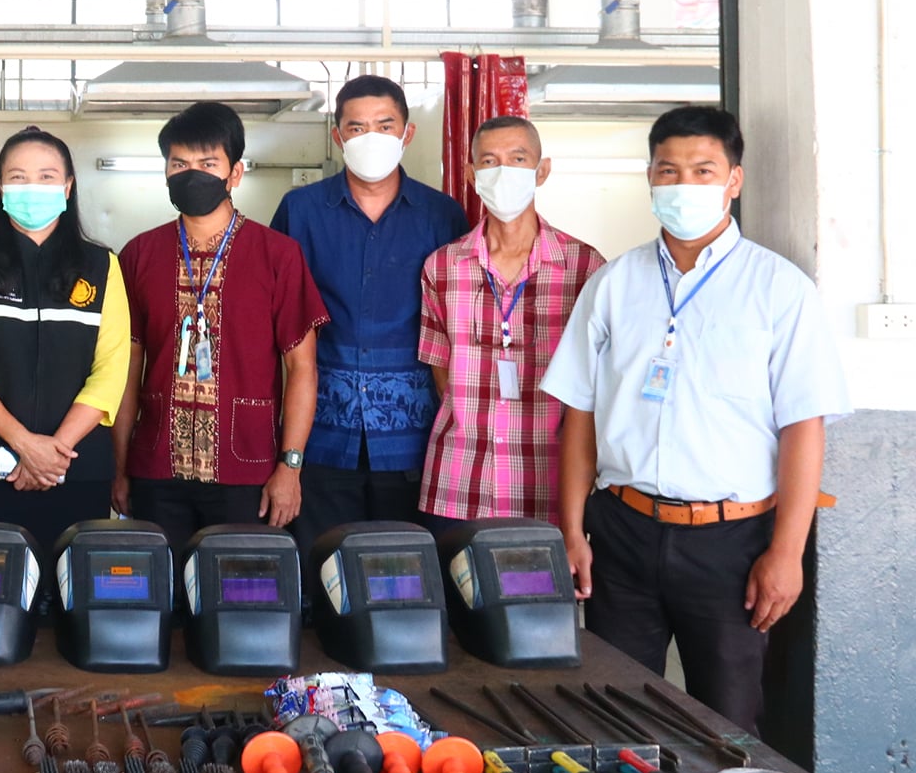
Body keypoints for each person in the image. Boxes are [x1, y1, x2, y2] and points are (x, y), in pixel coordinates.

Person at [543, 106, 847, 773]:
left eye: (702, 171)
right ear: (649, 179)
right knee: (613, 713)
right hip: (622, 529)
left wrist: (786, 550)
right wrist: (573, 528)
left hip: (732, 538)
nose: (684, 185)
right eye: (668, 171)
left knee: (730, 726)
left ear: (733, 181)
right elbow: (578, 415)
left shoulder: (779, 290)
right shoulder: (615, 284)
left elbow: (803, 428)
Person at [272, 75, 467, 564]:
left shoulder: (442, 216)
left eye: (385, 125)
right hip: (321, 437)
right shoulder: (300, 211)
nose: (370, 137)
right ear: (338, 137)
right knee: (322, 575)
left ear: (407, 133)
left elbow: (458, 325)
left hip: (413, 442)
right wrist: (286, 458)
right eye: (356, 128)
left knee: (406, 578)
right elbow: (277, 322)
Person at [113, 102, 328, 548]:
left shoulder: (278, 255)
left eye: (208, 164)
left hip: (247, 468)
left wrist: (290, 467)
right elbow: (127, 367)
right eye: (180, 164)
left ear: (235, 173)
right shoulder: (139, 254)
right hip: (156, 466)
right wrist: (119, 466)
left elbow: (302, 368)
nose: (192, 174)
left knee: (238, 587)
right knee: (160, 586)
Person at [0, 127, 130, 556]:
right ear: (0, 188)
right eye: (18, 177)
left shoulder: (102, 266)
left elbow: (111, 371)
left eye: (46, 176)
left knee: (73, 593)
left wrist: (54, 452)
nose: (32, 187)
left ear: (68, 186)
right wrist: (24, 444)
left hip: (75, 471)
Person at [417, 115, 605, 533]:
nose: (503, 172)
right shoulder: (442, 267)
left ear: (542, 171)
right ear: (471, 175)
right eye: (489, 161)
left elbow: (596, 382)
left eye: (518, 159)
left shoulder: (584, 267)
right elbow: (441, 372)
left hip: (549, 485)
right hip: (458, 483)